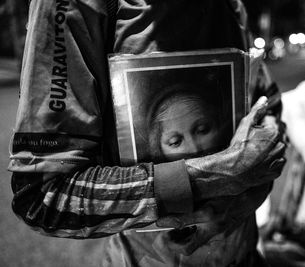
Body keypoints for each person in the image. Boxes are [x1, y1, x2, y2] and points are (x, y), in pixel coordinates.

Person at [9, 0, 286, 266]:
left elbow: (267, 104)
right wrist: (216, 175)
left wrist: (255, 181)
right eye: (175, 140)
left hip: (242, 253)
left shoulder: (230, 5)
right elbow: (43, 196)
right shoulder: (75, 4)